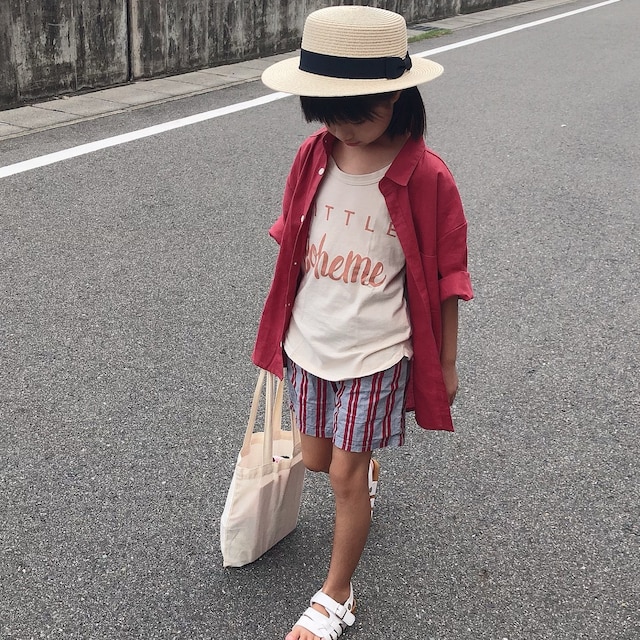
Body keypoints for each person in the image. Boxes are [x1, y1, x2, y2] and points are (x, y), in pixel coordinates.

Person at [252, 6, 473, 640]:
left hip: (378, 351)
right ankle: (363, 466)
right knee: (318, 461)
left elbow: (448, 277)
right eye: (329, 114)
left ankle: (336, 596)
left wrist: (447, 363)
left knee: (344, 477)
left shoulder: (426, 176)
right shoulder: (312, 156)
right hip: (309, 342)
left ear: (397, 96)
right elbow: (293, 243)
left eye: (358, 115)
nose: (343, 129)